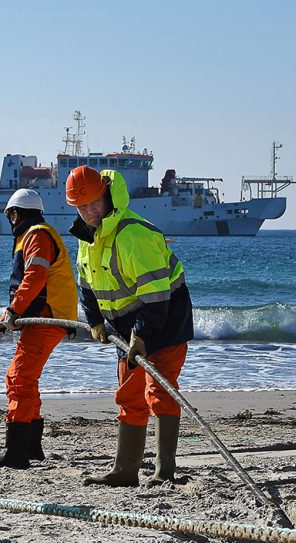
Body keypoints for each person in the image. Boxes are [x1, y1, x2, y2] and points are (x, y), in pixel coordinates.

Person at [66, 165, 194, 487]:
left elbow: (155, 299)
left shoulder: (134, 234)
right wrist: (94, 320)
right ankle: (125, 471)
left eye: (94, 202)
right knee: (128, 394)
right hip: (128, 328)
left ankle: (165, 472)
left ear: (107, 194)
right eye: (82, 207)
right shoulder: (88, 238)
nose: (90, 211)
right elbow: (86, 284)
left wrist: (141, 335)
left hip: (165, 321)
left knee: (159, 392)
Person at [0, 189, 77, 469]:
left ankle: (17, 454)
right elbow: (31, 286)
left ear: (16, 213)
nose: (10, 220)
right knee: (25, 379)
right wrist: (0, 324)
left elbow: (34, 278)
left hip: (47, 319)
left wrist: (11, 313)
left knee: (18, 379)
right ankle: (32, 448)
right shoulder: (38, 234)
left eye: (10, 214)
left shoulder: (36, 235)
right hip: (46, 318)